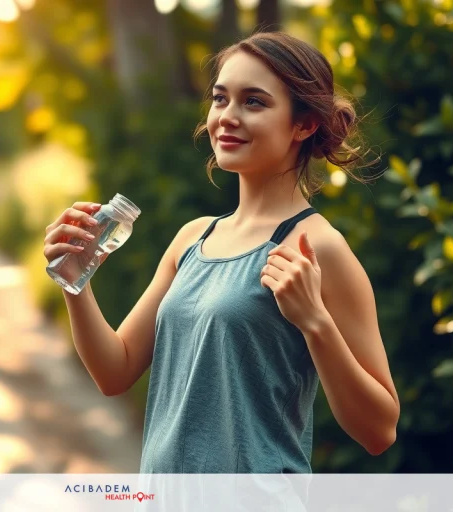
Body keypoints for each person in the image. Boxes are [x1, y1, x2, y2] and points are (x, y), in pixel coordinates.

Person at [43, 32, 400, 478]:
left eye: (254, 102)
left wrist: (315, 322)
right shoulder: (192, 238)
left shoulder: (319, 248)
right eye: (220, 99)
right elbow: (114, 373)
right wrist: (76, 280)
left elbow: (380, 430)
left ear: (304, 124)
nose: (227, 117)